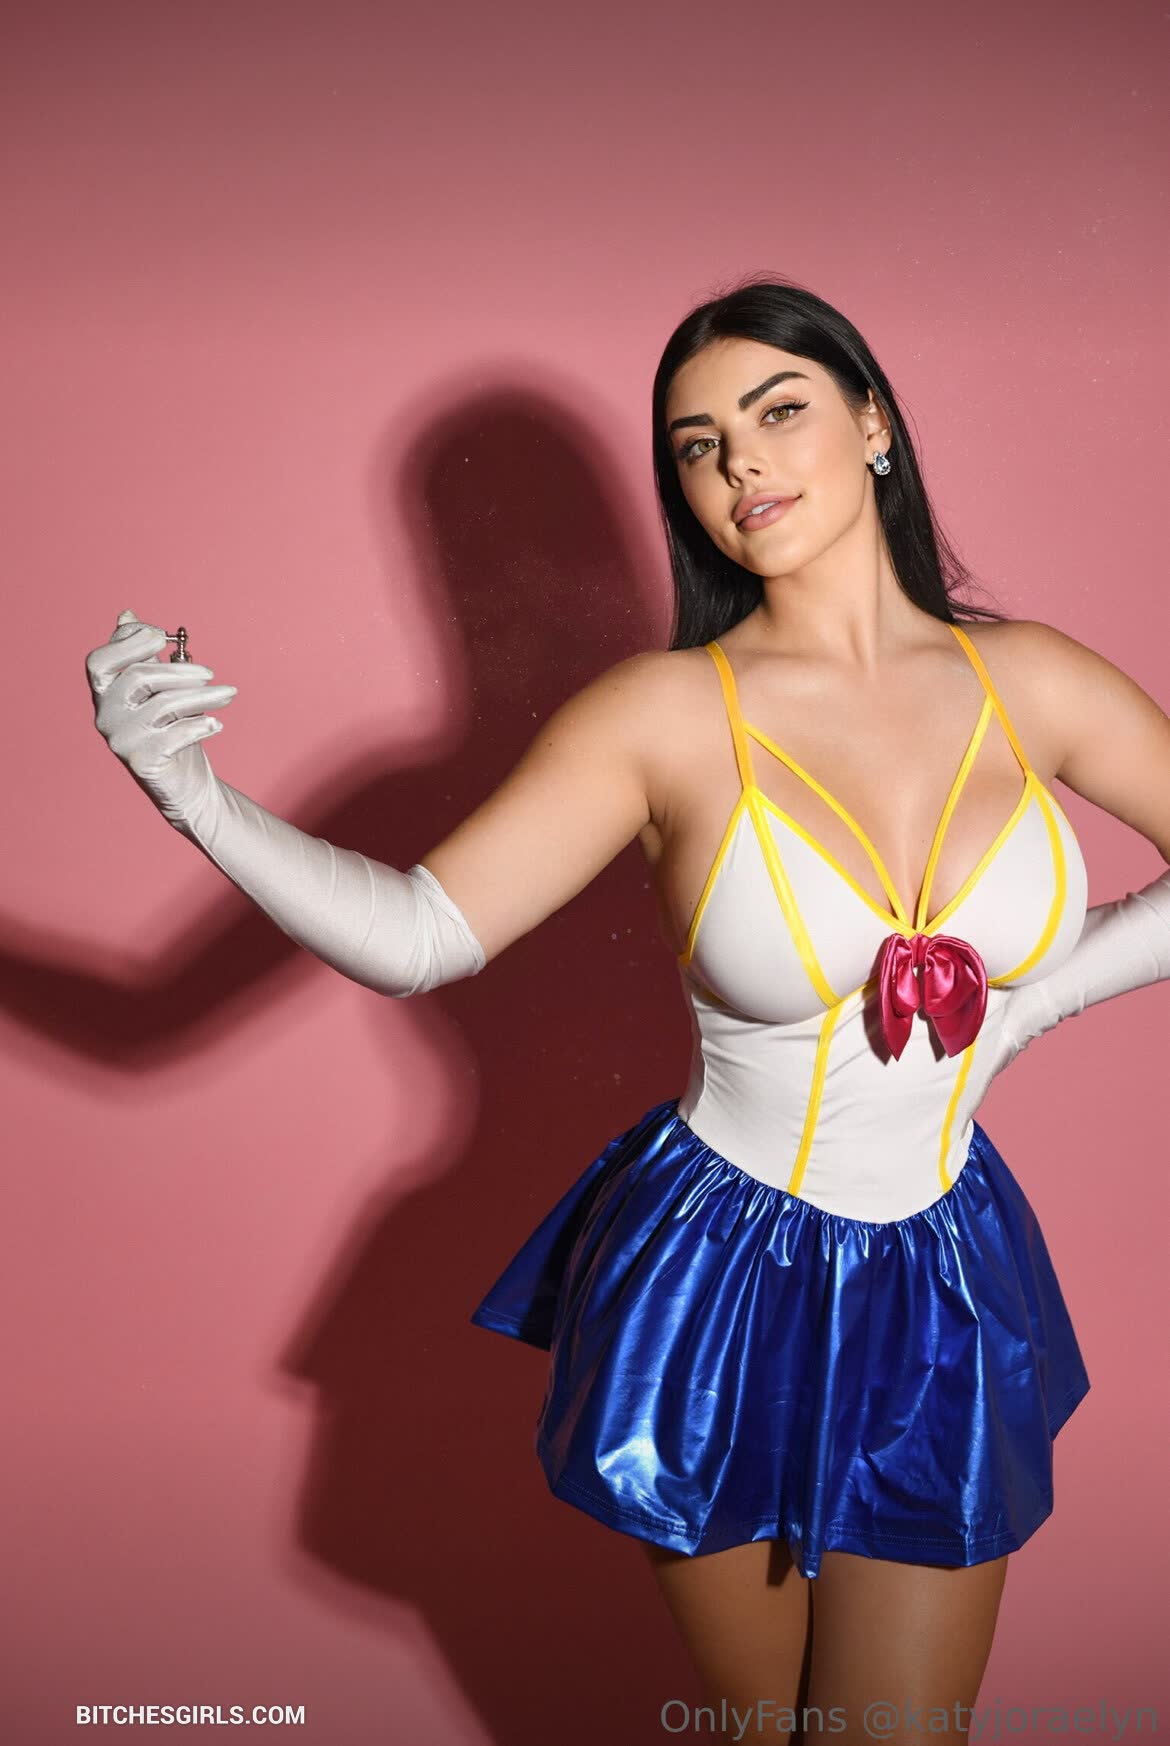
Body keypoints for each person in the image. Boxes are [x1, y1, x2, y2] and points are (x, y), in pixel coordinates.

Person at [86, 278, 1170, 1740]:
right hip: (716, 1272)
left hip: (942, 1268)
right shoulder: (660, 716)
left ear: (873, 423)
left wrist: (1034, 1006)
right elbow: (418, 934)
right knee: (768, 1732)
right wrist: (194, 796)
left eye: (777, 412)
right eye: (697, 445)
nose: (741, 465)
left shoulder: (1032, 680)